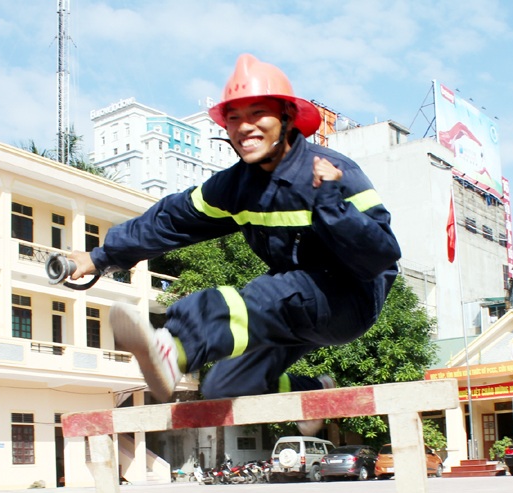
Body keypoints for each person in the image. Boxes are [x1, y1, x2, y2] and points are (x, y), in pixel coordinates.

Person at [68, 54, 400, 435]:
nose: (245, 127)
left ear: (287, 119)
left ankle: (173, 349)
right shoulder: (235, 186)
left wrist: (331, 207)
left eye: (258, 114)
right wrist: (100, 257)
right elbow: (171, 219)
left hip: (350, 295)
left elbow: (381, 255)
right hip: (293, 305)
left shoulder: (333, 172)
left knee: (263, 296)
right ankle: (313, 392)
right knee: (224, 386)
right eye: (234, 119)